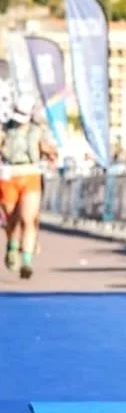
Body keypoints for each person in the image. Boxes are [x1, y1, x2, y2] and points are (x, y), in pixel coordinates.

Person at [0, 98, 55, 279]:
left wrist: (50, 153)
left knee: (28, 219)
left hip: (31, 174)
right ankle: (12, 246)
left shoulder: (38, 130)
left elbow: (51, 150)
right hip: (9, 175)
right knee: (11, 219)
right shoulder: (5, 129)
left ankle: (27, 261)